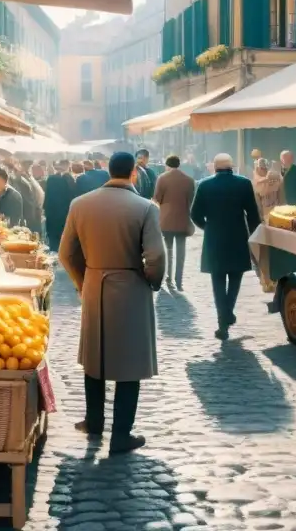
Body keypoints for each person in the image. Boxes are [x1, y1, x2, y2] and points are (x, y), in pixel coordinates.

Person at [59, 152, 165, 455]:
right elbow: (155, 256)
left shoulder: (80, 204)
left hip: (93, 285)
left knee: (94, 357)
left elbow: (66, 253)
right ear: (133, 173)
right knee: (129, 364)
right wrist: (152, 281)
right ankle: (121, 435)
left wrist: (83, 281)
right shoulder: (145, 208)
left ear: (108, 171)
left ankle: (94, 422)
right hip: (131, 286)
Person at [191, 153, 261, 340]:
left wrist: (207, 227)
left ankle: (223, 320)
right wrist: (255, 236)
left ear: (215, 167)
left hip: (214, 238)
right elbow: (253, 214)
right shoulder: (243, 183)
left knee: (218, 280)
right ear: (232, 167)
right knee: (236, 276)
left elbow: (194, 214)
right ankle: (228, 311)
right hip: (238, 236)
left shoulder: (205, 185)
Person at [152, 154, 196, 290]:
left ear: (167, 165)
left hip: (166, 220)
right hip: (183, 219)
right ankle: (179, 281)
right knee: (181, 252)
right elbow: (191, 200)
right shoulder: (189, 180)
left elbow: (156, 198)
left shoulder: (162, 178)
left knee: (168, 250)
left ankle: (168, 278)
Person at [43, 160, 75, 252]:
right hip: (65, 215)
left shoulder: (51, 179)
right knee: (65, 241)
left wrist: (45, 210)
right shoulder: (70, 179)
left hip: (52, 215)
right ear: (67, 166)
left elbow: (47, 197)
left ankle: (54, 256)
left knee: (53, 241)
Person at [16, 160, 44, 235]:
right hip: (29, 213)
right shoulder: (18, 179)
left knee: (37, 235)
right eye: (27, 165)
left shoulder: (29, 176)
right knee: (32, 235)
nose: (29, 167)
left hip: (35, 210)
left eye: (30, 165)